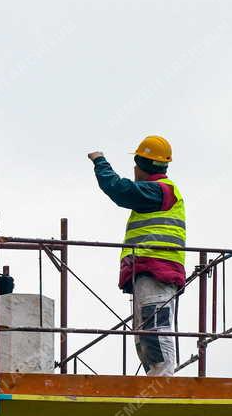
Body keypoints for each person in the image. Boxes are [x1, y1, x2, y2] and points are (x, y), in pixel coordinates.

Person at [87, 137, 185, 377]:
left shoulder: (158, 191)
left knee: (155, 325)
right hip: (151, 269)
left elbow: (120, 190)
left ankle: (162, 379)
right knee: (144, 331)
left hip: (156, 269)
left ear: (140, 165)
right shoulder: (157, 192)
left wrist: (100, 162)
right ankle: (155, 375)